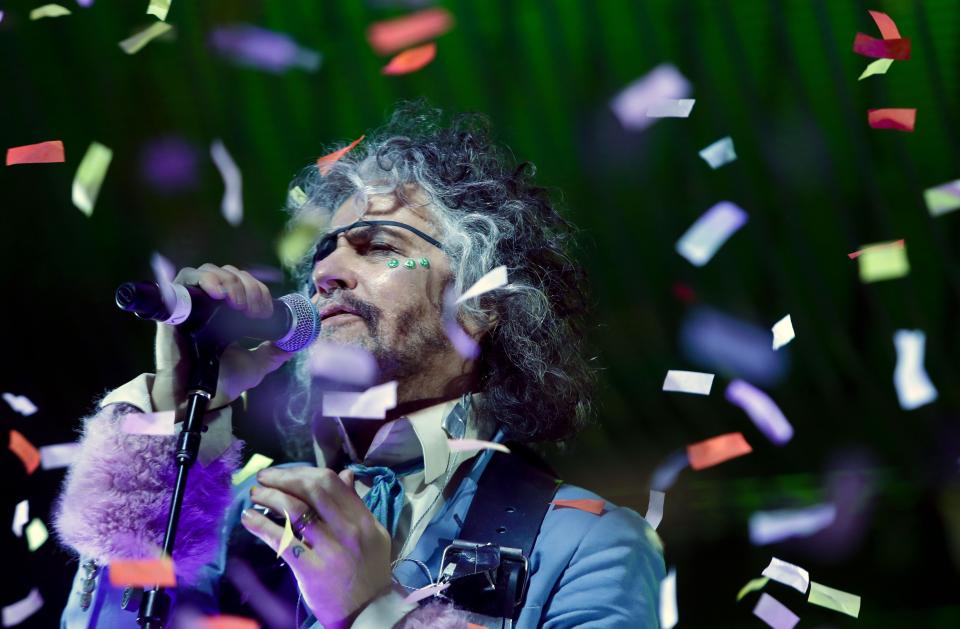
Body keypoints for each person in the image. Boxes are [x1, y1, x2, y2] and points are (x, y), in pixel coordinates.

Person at [55, 101, 665, 628]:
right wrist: (173, 408)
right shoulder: (234, 518)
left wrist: (373, 612)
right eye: (324, 252)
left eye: (378, 247)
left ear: (479, 307)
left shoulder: (589, 542)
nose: (324, 273)